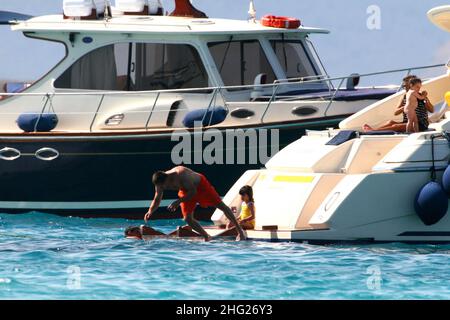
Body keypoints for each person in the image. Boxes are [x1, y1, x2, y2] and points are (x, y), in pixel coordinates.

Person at [144, 166, 247, 241]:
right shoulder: (159, 182)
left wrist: (178, 201)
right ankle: (206, 236)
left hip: (200, 186)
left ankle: (240, 231)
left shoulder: (181, 174)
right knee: (187, 218)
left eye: (164, 186)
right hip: (185, 191)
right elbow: (157, 198)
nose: (164, 188)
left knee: (221, 206)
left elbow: (193, 192)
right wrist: (150, 211)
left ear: (167, 178)